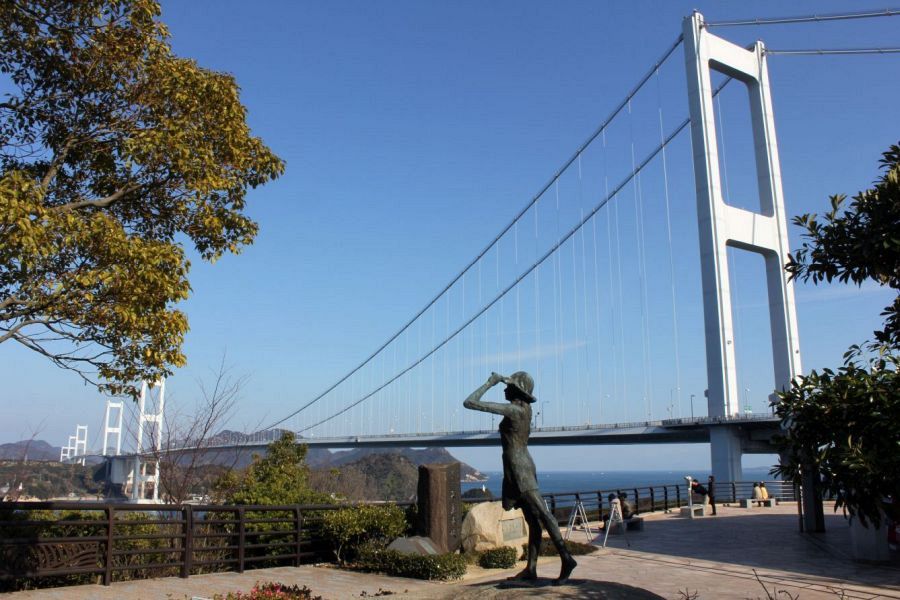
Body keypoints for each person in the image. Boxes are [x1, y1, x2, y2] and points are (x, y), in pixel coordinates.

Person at [464, 371, 577, 585]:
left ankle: (566, 557)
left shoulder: (514, 411)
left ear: (517, 390)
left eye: (508, 386)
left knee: (542, 513)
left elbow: (469, 402)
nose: (505, 388)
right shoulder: (525, 409)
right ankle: (531, 569)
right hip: (519, 465)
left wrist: (490, 382)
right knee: (533, 520)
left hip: (519, 469)